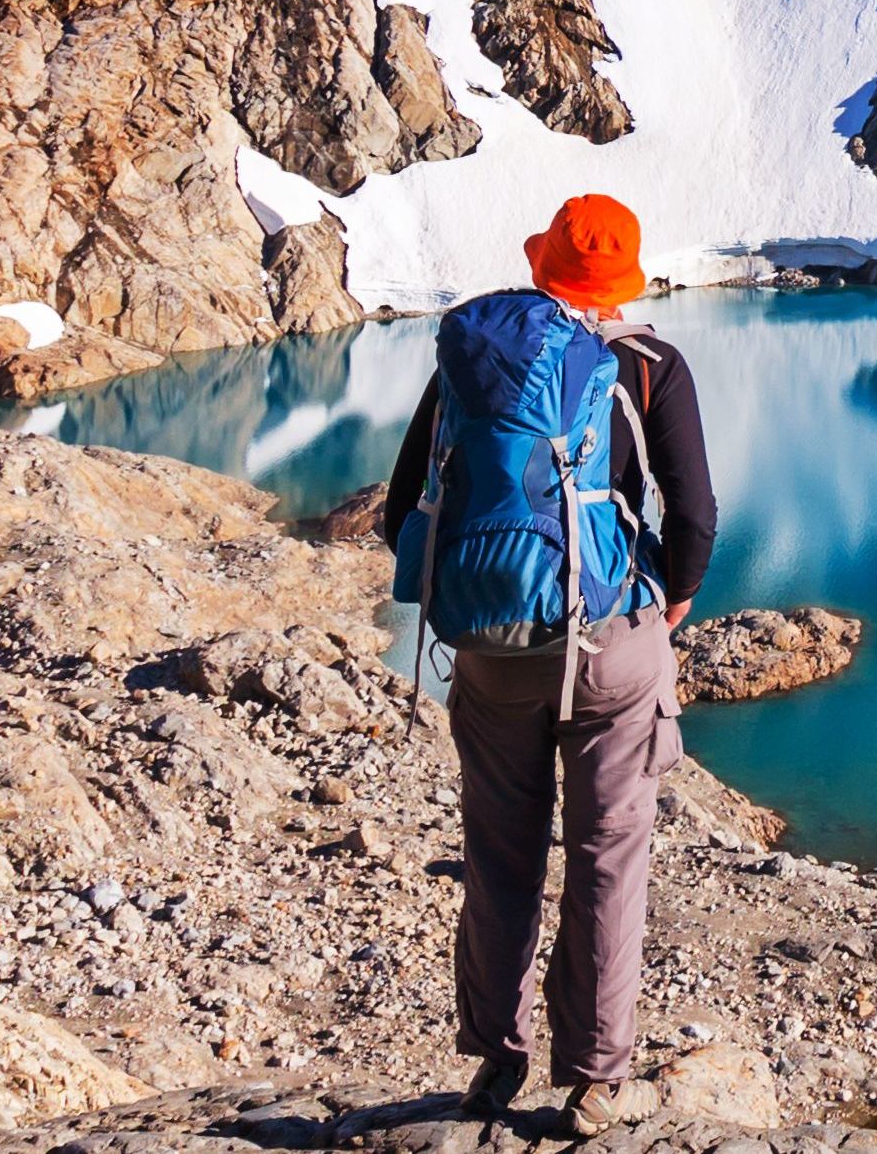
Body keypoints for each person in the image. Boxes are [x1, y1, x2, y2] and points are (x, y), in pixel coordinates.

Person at [378, 194, 717, 1135]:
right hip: (612, 647)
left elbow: (401, 505)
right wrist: (671, 602)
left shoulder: (476, 364)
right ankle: (594, 1080)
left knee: (498, 856)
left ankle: (494, 1059)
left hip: (492, 652)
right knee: (607, 857)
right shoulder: (647, 366)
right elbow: (692, 517)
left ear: (543, 269)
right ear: (621, 285)